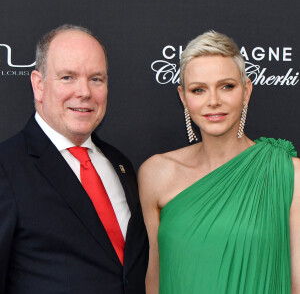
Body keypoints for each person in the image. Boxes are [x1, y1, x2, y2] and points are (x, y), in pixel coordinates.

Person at [138, 31, 300, 294]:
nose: (213, 101)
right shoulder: (156, 174)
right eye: (198, 89)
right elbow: (153, 280)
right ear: (183, 97)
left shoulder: (289, 175)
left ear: (246, 90)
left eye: (227, 86)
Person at [0, 24, 148, 294]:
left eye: (96, 79)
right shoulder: (6, 167)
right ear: (38, 85)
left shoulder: (120, 164)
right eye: (68, 77)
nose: (84, 92)